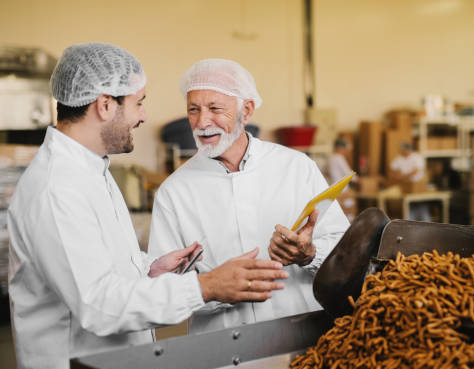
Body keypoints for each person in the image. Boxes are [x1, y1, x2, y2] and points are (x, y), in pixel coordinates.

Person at [7, 44, 287, 369]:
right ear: (105, 105)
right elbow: (99, 305)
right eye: (138, 102)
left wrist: (148, 269)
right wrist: (206, 286)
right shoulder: (56, 189)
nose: (142, 116)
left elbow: (95, 264)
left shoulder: (91, 172)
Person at [148, 58, 350, 335]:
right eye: (193, 110)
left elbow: (345, 252)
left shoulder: (295, 167)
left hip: (304, 334)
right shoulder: (174, 192)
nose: (202, 122)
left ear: (248, 109)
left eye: (215, 108)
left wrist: (309, 254)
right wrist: (213, 289)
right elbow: (163, 289)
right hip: (221, 345)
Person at [389, 142, 430, 221]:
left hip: (417, 186)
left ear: (409, 150)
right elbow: (391, 168)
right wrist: (397, 175)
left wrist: (403, 176)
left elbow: (416, 170)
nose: (403, 152)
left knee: (422, 207)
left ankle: (426, 222)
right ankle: (411, 224)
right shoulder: (399, 158)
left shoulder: (417, 157)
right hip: (406, 187)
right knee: (409, 208)